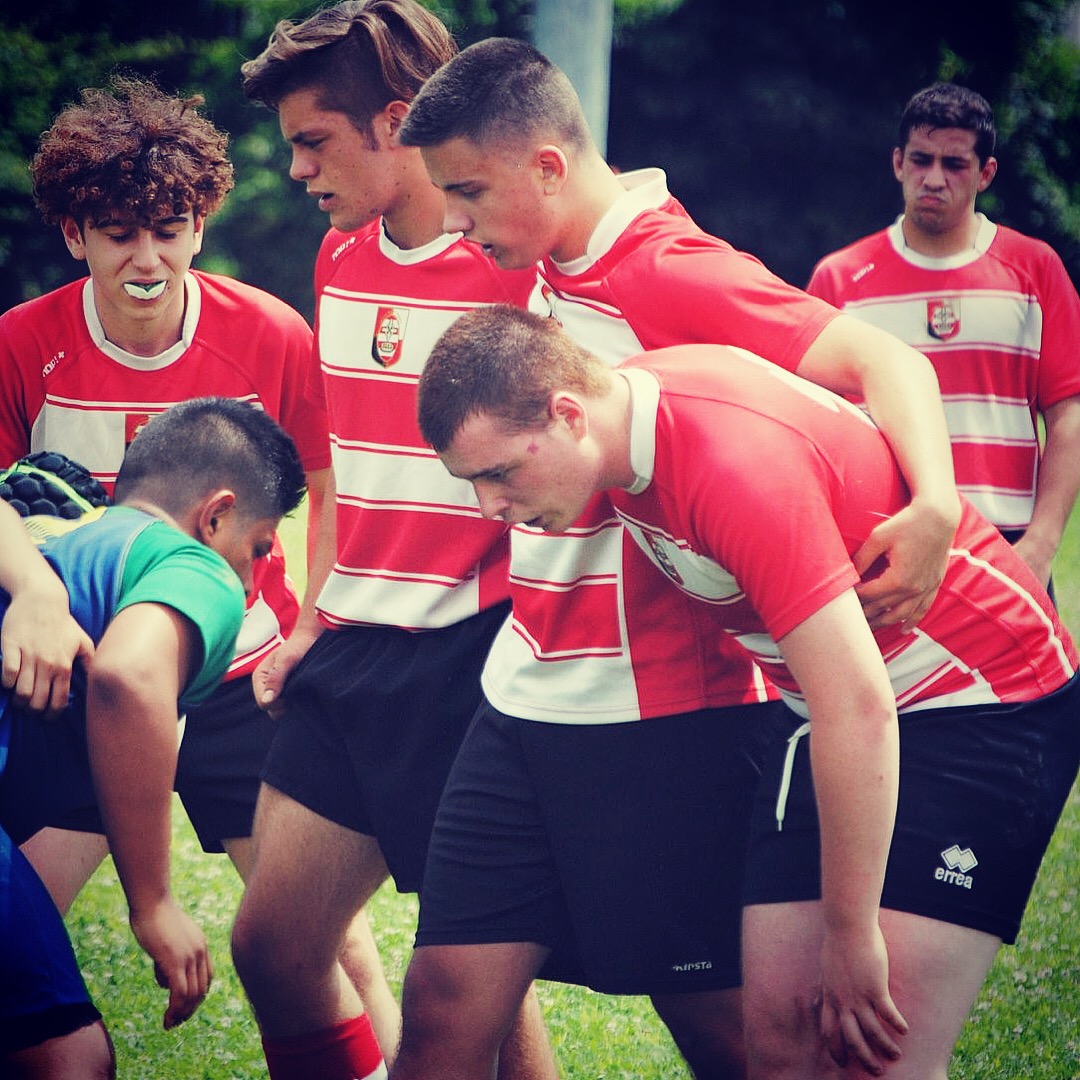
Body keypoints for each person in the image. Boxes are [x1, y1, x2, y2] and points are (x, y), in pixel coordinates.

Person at [387, 37, 963, 1079]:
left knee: (735, 1037)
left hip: (653, 710)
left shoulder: (667, 267)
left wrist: (936, 502)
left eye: (468, 194)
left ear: (548, 169)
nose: (458, 227)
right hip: (527, 688)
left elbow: (880, 356)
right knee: (439, 1010)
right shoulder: (550, 261)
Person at [415, 303, 1080, 1080]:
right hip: (832, 716)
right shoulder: (617, 432)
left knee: (873, 1062)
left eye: (498, 474)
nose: (491, 508)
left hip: (983, 706)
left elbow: (857, 704)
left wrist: (851, 930)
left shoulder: (729, 464)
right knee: (779, 1047)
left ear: (567, 414)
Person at [235, 5, 554, 1077]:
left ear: (399, 119)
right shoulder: (336, 261)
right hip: (350, 649)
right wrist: (311, 618)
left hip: (469, 657)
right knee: (275, 949)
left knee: (477, 999)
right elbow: (342, 477)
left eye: (314, 141)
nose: (296, 171)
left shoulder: (521, 272)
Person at [0, 397, 311, 1080]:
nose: (252, 578)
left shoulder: (55, 547)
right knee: (68, 1057)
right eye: (257, 549)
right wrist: (154, 902)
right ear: (216, 515)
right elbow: (129, 676)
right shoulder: (196, 567)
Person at [807, 83, 1080, 589]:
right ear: (898, 163)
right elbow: (812, 428)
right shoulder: (840, 278)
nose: (934, 178)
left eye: (954, 164)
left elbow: (1069, 416)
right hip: (883, 545)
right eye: (921, 160)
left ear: (986, 173)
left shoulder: (1035, 269)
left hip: (1008, 548)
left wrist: (1040, 546)